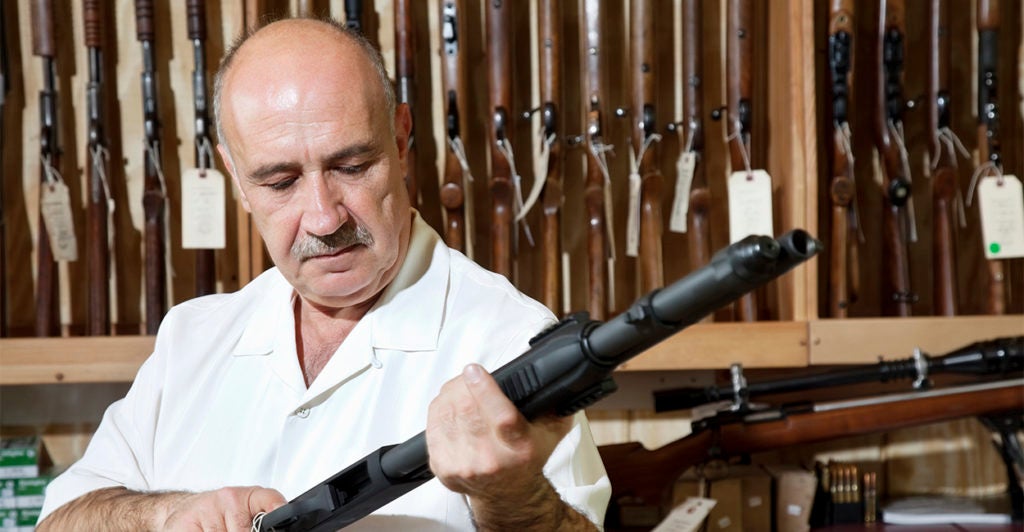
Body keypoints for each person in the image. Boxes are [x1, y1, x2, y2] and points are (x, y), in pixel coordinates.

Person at [37, 17, 609, 531]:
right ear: (235, 177)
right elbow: (60, 521)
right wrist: (166, 514)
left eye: (352, 166)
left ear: (401, 139)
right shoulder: (192, 337)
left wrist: (512, 499)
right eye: (280, 182)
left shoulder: (509, 340)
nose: (324, 217)